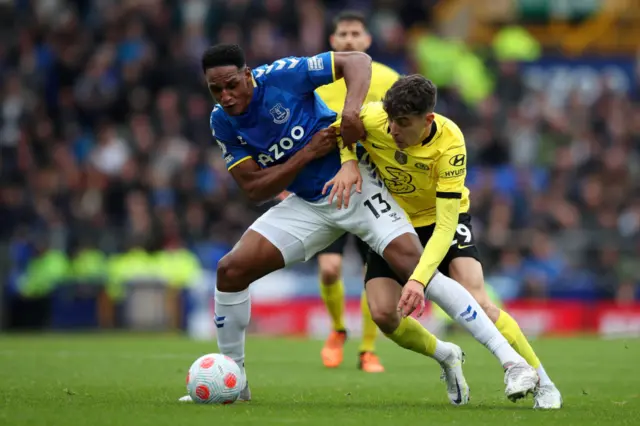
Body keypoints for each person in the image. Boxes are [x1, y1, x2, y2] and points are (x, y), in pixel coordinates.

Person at [180, 43, 534, 405]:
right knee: (231, 271)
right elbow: (254, 189)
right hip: (311, 204)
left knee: (419, 273)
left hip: (359, 187)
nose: (225, 96)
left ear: (247, 75)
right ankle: (235, 381)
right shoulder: (221, 121)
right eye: (215, 89)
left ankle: (512, 363)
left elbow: (357, 61)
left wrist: (349, 118)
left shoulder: (283, 76)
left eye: (231, 85)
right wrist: (307, 154)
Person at [326, 74, 562, 409]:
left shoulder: (451, 144)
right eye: (391, 121)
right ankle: (446, 354)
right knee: (382, 314)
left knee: (479, 298)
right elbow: (340, 127)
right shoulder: (374, 117)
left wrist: (419, 280)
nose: (393, 131)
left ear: (428, 120)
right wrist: (349, 162)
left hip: (441, 221)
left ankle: (544, 383)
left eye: (403, 123)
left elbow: (446, 224)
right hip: (392, 224)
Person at [313, 10, 400, 374]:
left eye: (355, 34)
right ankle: (337, 330)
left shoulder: (388, 79)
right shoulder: (318, 80)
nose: (349, 40)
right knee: (330, 268)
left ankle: (367, 350)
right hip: (327, 183)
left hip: (374, 186)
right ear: (333, 42)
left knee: (373, 274)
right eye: (342, 34)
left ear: (367, 41)